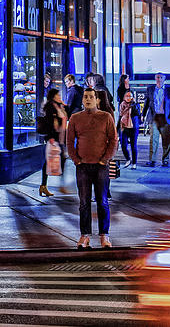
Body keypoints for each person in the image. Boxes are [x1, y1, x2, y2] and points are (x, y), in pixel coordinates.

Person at [67, 88, 117, 249]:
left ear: (97, 100)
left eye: (91, 97)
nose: (88, 99)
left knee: (102, 202)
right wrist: (76, 160)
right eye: (85, 97)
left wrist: (105, 159)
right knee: (83, 202)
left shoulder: (106, 117)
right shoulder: (75, 118)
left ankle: (104, 235)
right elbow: (69, 142)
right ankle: (85, 235)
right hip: (82, 167)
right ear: (82, 100)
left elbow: (113, 140)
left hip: (101, 166)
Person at [39, 87, 68, 197]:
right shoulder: (50, 107)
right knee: (50, 161)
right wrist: (50, 137)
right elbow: (50, 122)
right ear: (53, 96)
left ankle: (48, 185)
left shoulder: (58, 106)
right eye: (58, 95)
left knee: (60, 160)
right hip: (54, 137)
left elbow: (65, 116)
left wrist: (63, 105)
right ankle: (45, 185)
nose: (59, 96)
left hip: (60, 137)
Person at [142, 72, 170, 167]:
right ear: (155, 78)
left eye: (161, 77)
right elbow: (147, 103)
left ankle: (165, 159)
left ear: (164, 79)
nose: (159, 79)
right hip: (154, 117)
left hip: (165, 118)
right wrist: (143, 114)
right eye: (157, 77)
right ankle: (152, 160)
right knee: (153, 139)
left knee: (166, 140)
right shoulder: (150, 89)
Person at [117, 90, 141, 168]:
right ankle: (128, 159)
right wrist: (117, 129)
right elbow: (120, 116)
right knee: (123, 145)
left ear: (132, 97)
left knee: (133, 146)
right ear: (124, 97)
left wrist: (133, 105)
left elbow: (137, 113)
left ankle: (134, 163)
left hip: (133, 127)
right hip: (124, 127)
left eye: (130, 96)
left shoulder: (136, 105)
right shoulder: (122, 105)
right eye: (127, 96)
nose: (128, 98)